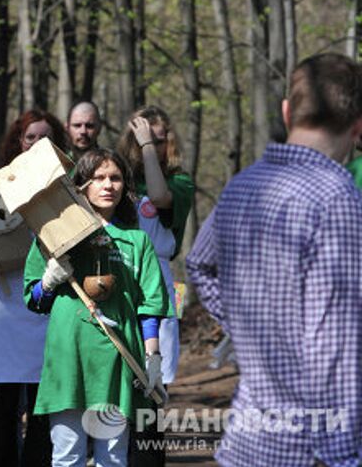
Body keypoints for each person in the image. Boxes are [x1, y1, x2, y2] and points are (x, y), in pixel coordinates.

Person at [186, 52, 362, 467]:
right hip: (308, 451)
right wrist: (343, 457)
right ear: (358, 127)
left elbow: (199, 263)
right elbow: (335, 351)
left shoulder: (241, 187)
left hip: (246, 443)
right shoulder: (337, 201)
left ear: (287, 112)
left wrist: (254, 331)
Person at [24, 148, 172, 466]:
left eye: (115, 178)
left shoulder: (137, 241)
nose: (108, 185)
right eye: (98, 178)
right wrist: (49, 280)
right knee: (67, 456)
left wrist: (153, 359)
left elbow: (150, 305)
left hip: (118, 361)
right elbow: (34, 301)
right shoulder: (52, 236)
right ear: (81, 186)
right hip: (68, 359)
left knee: (113, 458)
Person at [0, 109, 65, 466]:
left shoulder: (67, 186)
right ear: (18, 143)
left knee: (45, 405)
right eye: (30, 137)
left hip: (51, 307)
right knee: (3, 404)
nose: (37, 144)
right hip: (6, 307)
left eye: (45, 137)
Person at [117, 105, 194, 386]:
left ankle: (151, 429)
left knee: (154, 376)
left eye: (159, 140)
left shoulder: (180, 181)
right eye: (141, 139)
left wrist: (148, 146)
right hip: (121, 273)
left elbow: (160, 197)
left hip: (159, 279)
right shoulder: (118, 181)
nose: (150, 145)